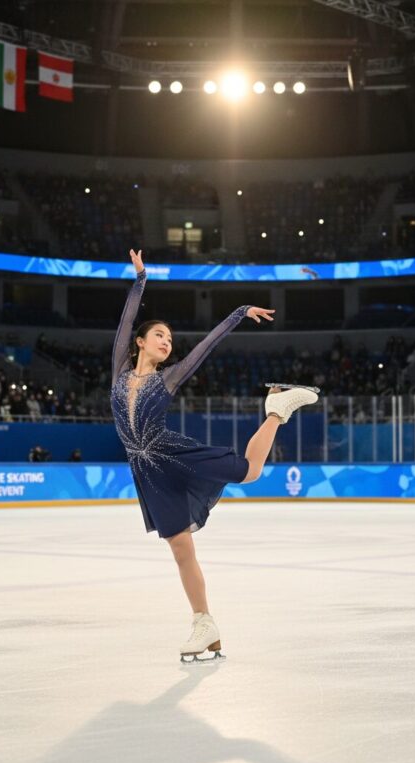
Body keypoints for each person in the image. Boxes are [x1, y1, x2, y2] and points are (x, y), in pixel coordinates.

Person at [110, 249, 318, 663]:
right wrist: (140, 280)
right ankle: (204, 623)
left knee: (249, 472)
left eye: (170, 339)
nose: (167, 343)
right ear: (140, 342)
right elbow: (125, 320)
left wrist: (238, 313)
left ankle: (277, 409)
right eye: (160, 336)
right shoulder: (120, 369)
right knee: (180, 549)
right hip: (147, 471)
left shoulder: (169, 377)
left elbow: (206, 345)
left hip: (173, 453)